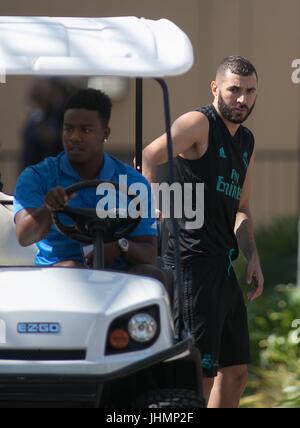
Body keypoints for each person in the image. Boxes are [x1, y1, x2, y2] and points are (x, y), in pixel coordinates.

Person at [142, 56, 264, 408]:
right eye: (234, 90)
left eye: (250, 91)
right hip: (190, 264)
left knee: (236, 372)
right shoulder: (199, 123)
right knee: (201, 375)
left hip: (223, 269)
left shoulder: (246, 141)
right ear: (215, 88)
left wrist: (253, 257)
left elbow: (241, 207)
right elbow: (149, 156)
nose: (243, 99)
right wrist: (152, 207)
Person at [14, 88, 164, 283]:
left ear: (105, 133)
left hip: (118, 281)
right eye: (68, 129)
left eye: (85, 130)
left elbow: (149, 255)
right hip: (58, 278)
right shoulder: (37, 177)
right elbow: (24, 237)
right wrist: (48, 208)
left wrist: (120, 244)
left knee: (154, 276)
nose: (74, 137)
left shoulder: (134, 182)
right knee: (71, 268)